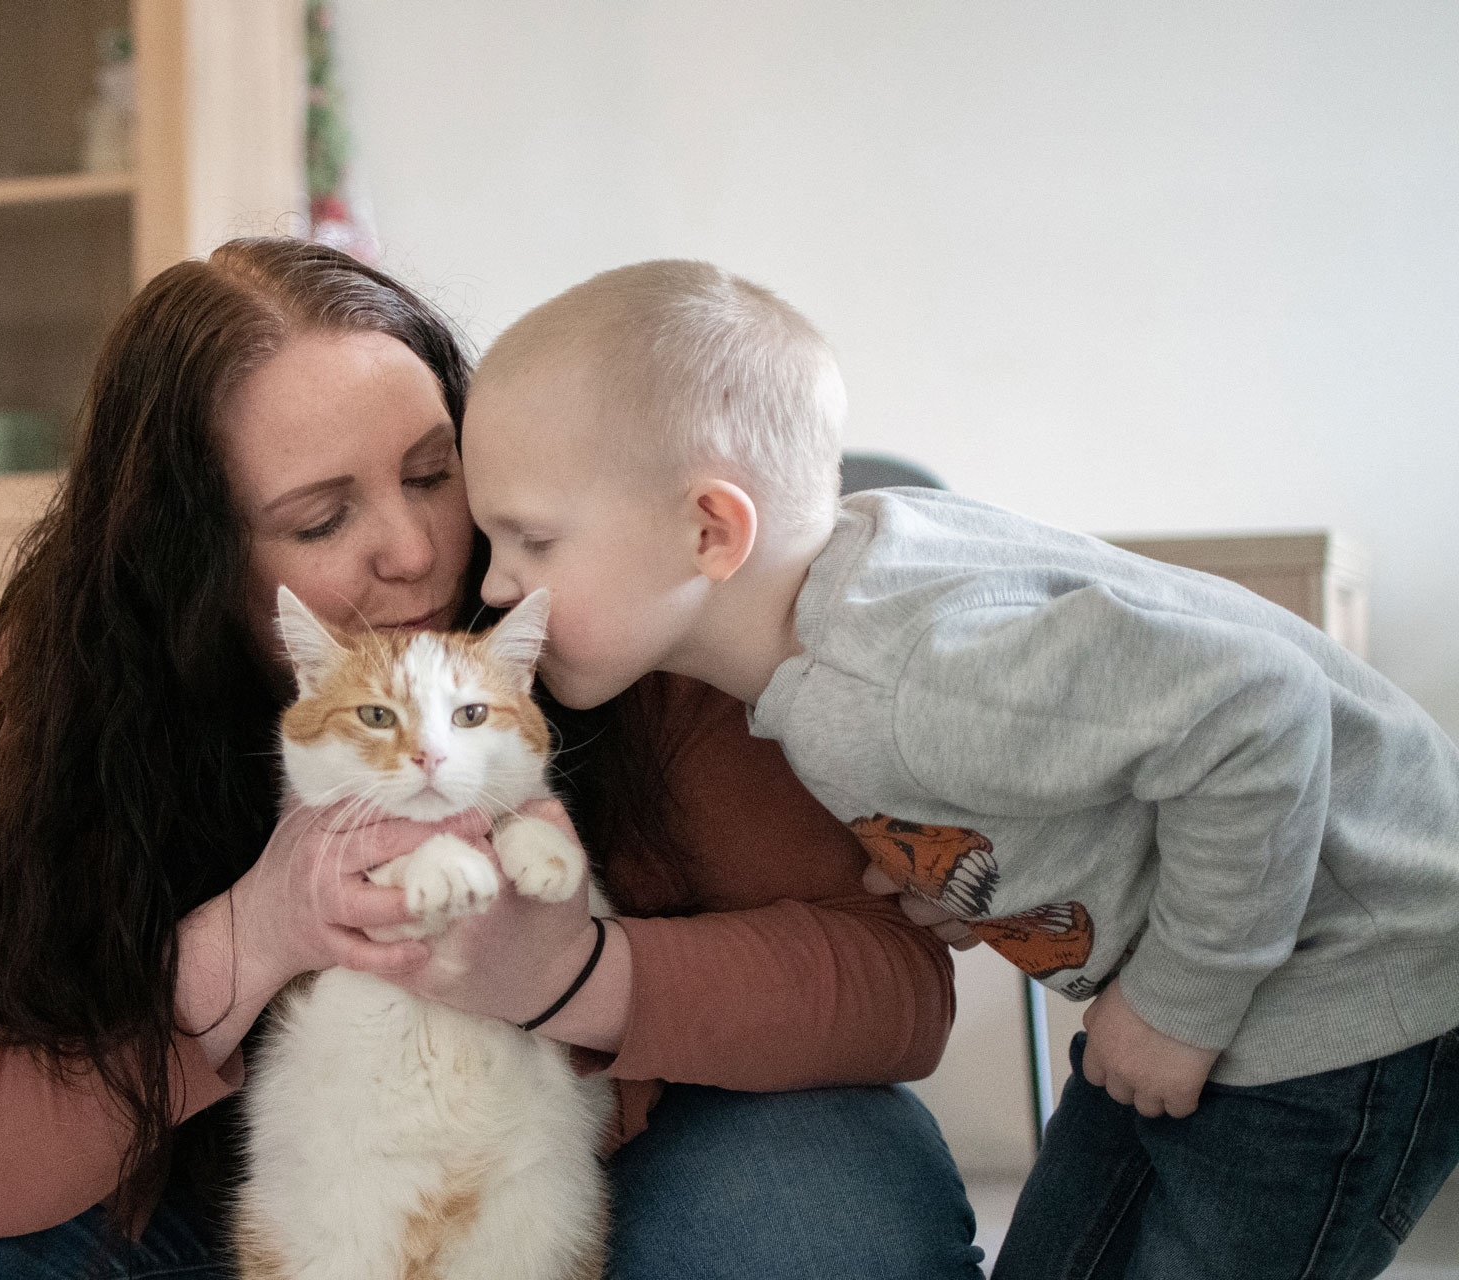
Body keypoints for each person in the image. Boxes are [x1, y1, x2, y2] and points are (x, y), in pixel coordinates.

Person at [0, 238, 986, 1279]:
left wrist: (575, 974)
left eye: (436, 473)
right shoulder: (77, 690)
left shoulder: (612, 614)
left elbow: (896, 988)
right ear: (195, 563)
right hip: (264, 1188)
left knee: (828, 1206)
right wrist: (262, 929)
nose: (417, 550)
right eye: (321, 518)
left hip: (581, 1163)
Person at [458, 256, 1459, 1278]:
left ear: (711, 529)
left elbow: (1263, 713)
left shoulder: (909, 676)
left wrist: (1176, 1006)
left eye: (530, 539)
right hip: (1222, 971)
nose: (495, 581)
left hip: (1342, 983)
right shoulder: (844, 617)